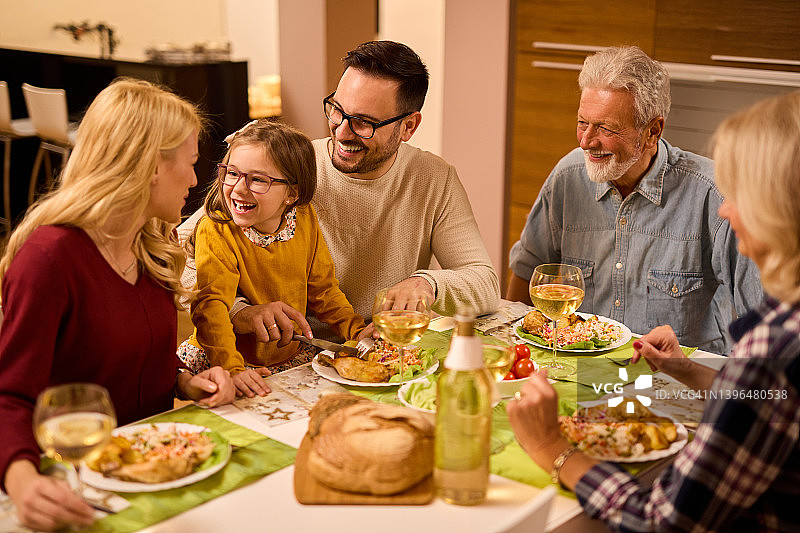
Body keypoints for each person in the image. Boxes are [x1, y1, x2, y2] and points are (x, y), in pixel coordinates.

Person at [507, 90, 800, 531]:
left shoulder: (775, 342)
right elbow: (771, 401)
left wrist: (553, 447)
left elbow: (660, 522)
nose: (724, 209)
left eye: (738, 194)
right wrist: (689, 370)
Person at [0, 78, 235, 531]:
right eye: (188, 164)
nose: (194, 178)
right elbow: (9, 395)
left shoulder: (151, 244)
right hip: (73, 479)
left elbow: (129, 351)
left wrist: (184, 382)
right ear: (149, 166)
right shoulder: (50, 258)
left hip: (144, 470)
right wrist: (23, 482)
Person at [180, 40, 500, 342]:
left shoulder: (434, 178)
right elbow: (175, 251)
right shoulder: (291, 167)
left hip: (373, 347)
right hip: (287, 353)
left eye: (364, 122)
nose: (341, 131)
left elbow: (485, 283)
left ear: (408, 126)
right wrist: (239, 311)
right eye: (337, 109)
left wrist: (428, 283)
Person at [506, 46, 762, 354]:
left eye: (605, 128)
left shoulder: (713, 193)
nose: (586, 141)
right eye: (582, 122)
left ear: (653, 131)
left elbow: (760, 317)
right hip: (581, 373)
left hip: (676, 381)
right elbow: (528, 270)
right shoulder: (567, 176)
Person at [179, 119, 365, 398]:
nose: (239, 189)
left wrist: (356, 330)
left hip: (286, 357)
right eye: (232, 173)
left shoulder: (304, 219)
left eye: (257, 180)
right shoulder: (216, 229)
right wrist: (232, 370)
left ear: (292, 193)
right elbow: (211, 307)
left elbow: (324, 289)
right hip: (224, 359)